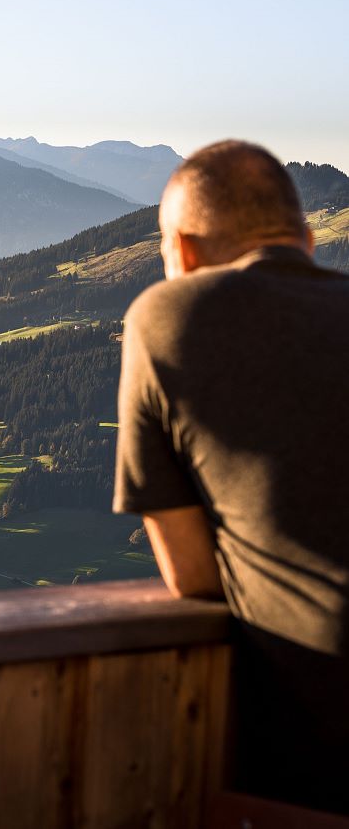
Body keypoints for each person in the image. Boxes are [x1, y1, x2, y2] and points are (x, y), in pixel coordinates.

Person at [113, 140, 349, 813]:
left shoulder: (165, 318)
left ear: (181, 252)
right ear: (306, 240)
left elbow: (190, 574)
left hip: (314, 764)